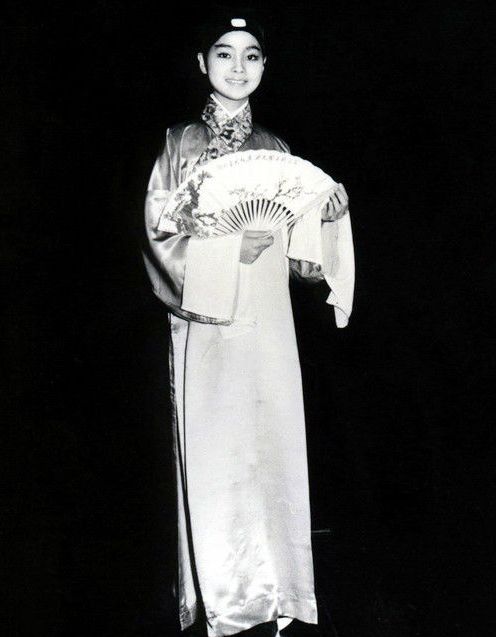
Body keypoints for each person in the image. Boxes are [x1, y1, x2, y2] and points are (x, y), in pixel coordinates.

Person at [143, 11, 354, 637]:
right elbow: (159, 239)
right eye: (225, 53)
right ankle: (222, 597)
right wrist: (226, 251)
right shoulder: (178, 144)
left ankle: (278, 590)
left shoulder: (277, 149)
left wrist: (328, 219)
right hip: (206, 318)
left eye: (252, 55)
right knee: (217, 450)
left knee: (272, 444)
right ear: (201, 63)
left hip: (269, 320)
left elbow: (304, 264)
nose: (239, 67)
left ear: (265, 66)